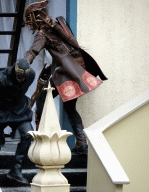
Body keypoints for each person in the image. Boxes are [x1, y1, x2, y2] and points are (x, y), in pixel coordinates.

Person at [24, 0, 107, 154]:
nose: (29, 24)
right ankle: (81, 142)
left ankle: (40, 140)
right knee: (70, 108)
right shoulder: (60, 25)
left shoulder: (43, 34)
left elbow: (33, 52)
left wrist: (22, 64)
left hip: (65, 73)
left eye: (30, 19)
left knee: (42, 99)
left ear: (36, 17)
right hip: (77, 69)